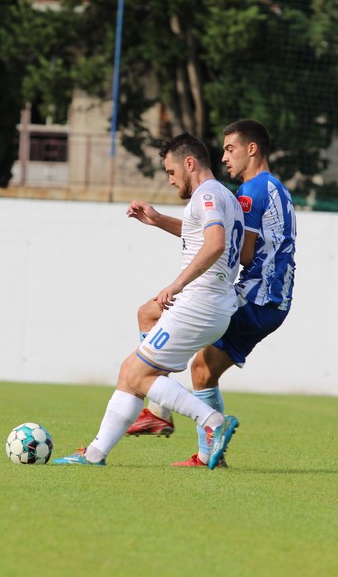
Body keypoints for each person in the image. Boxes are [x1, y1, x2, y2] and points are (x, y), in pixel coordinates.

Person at [52, 133, 243, 469]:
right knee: (137, 346)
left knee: (138, 375)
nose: (170, 180)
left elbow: (215, 243)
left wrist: (177, 284)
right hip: (212, 305)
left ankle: (211, 421)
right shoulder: (222, 195)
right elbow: (199, 232)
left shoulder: (206, 194)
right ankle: (96, 453)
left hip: (199, 304)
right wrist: (157, 220)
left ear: (189, 163)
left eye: (171, 171)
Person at [126, 119, 296, 468]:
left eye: (230, 148)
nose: (224, 157)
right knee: (202, 369)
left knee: (154, 317)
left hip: (257, 296)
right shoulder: (276, 187)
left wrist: (182, 280)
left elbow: (239, 252)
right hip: (274, 299)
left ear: (252, 149)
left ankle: (159, 411)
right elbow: (220, 238)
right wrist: (160, 220)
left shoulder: (250, 193)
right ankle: (206, 453)